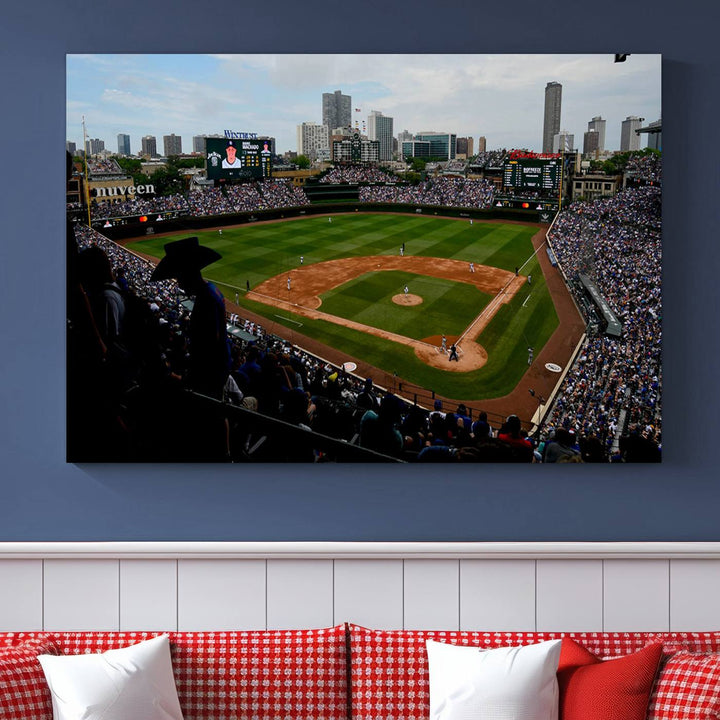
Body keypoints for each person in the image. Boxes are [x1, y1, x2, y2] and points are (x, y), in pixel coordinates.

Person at [150, 236, 229, 400]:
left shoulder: (206, 298)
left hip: (209, 380)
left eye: (179, 277)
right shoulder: (210, 291)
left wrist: (187, 379)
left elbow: (209, 348)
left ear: (188, 274)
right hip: (214, 374)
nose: (178, 283)